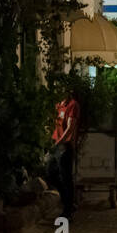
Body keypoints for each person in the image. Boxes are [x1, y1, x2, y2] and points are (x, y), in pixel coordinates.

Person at [47, 88, 83, 219]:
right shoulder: (59, 104)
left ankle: (68, 210)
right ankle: (68, 202)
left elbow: (70, 128)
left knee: (66, 177)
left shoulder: (73, 105)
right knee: (50, 173)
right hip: (57, 143)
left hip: (65, 145)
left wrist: (59, 143)